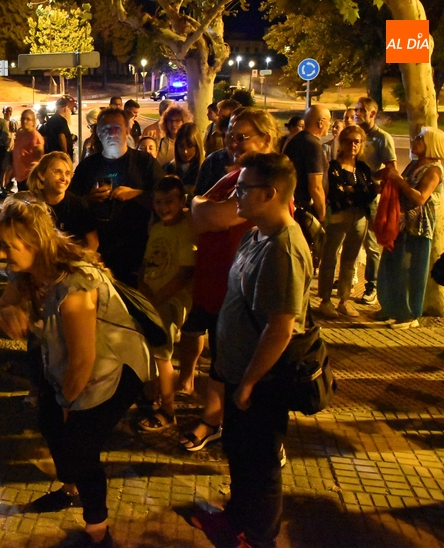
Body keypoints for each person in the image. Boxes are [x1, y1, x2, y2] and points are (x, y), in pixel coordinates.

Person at [0, 197, 151, 547]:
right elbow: (2, 306)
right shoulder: (25, 271)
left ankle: (98, 529)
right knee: (50, 424)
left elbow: (83, 360)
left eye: (8, 246)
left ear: (34, 243)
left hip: (115, 366)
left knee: (80, 445)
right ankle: (70, 489)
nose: (2, 254)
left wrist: (68, 404)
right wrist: (7, 314)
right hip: (66, 361)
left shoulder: (74, 283)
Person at [192, 152, 312, 548]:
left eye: (243, 189)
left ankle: (259, 538)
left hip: (261, 380)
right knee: (239, 452)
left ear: (270, 194)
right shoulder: (255, 233)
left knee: (260, 464)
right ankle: (236, 518)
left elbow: (280, 327)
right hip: (237, 370)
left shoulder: (283, 249)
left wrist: (248, 383)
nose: (235, 196)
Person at [180, 108, 278, 453]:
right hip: (215, 283)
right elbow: (199, 217)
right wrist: (202, 209)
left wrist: (199, 205)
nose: (232, 143)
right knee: (220, 357)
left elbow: (216, 215)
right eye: (229, 135)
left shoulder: (265, 179)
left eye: (242, 136)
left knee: (237, 361)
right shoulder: (235, 175)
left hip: (240, 289)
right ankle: (218, 419)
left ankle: (254, 437)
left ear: (266, 139)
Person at [69, 108, 165, 287]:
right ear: (98, 133)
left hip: (137, 251)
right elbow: (70, 206)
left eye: (117, 128)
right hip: (98, 252)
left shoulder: (144, 163)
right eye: (106, 129)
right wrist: (87, 200)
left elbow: (165, 201)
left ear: (127, 130)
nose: (112, 133)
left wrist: (137, 194)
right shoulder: (87, 167)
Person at [136, 175, 196, 432]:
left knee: (162, 354)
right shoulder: (158, 228)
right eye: (158, 202)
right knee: (149, 349)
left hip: (169, 301)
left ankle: (168, 410)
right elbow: (147, 262)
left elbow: (185, 273)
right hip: (151, 299)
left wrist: (156, 299)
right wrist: (142, 289)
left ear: (182, 201)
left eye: (169, 201)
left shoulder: (186, 229)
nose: (163, 207)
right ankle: (151, 393)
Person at [376, 127, 444, 329]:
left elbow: (420, 198)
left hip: (418, 227)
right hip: (402, 225)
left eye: (420, 138)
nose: (415, 140)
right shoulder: (414, 164)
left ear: (431, 144)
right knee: (394, 266)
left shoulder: (433, 170)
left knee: (411, 270)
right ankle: (393, 308)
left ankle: (409, 315)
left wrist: (398, 180)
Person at [318, 125, 376, 319]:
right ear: (341, 143)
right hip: (338, 217)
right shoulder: (334, 167)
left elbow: (370, 193)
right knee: (330, 257)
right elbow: (338, 194)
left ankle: (344, 299)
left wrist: (353, 191)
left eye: (357, 142)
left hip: (359, 218)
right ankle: (325, 299)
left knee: (350, 260)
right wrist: (358, 192)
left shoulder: (363, 169)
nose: (353, 145)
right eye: (349, 141)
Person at [355, 97, 399, 306]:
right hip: (351, 196)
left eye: (362, 110)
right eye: (356, 109)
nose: (357, 113)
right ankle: (347, 281)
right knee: (350, 240)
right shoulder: (354, 135)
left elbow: (391, 169)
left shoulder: (382, 138)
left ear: (372, 113)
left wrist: (371, 178)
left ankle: (372, 286)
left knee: (371, 244)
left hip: (370, 198)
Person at [27, 152, 98, 250]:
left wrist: (81, 258)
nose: (63, 178)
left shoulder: (78, 205)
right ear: (42, 174)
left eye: (67, 173)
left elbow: (93, 243)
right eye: (57, 172)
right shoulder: (31, 205)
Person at [283, 104, 330, 223]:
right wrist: (322, 216)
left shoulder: (295, 139)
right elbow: (315, 186)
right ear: (321, 123)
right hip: (306, 211)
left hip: (293, 207)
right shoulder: (313, 145)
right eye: (329, 120)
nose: (330, 124)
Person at [164, 122, 204, 197]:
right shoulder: (168, 169)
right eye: (181, 146)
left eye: (190, 146)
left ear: (197, 146)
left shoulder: (205, 169)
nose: (185, 151)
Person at [10, 108, 44, 192]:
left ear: (33, 122)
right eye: (23, 119)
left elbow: (40, 157)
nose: (25, 121)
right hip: (19, 175)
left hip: (28, 176)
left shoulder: (35, 137)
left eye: (28, 119)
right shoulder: (20, 133)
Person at [2, 106, 20, 192]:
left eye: (10, 111)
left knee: (10, 168)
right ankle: (2, 185)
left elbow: (16, 134)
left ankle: (7, 185)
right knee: (4, 168)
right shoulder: (2, 122)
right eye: (7, 111)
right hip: (4, 149)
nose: (9, 113)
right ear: (3, 112)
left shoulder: (13, 122)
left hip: (12, 148)